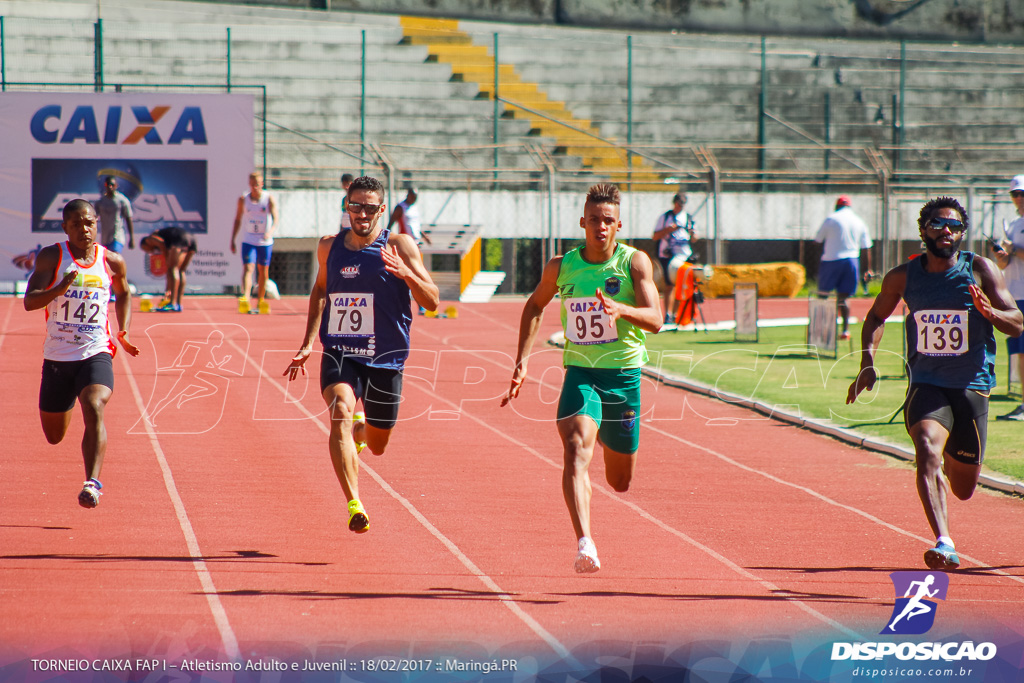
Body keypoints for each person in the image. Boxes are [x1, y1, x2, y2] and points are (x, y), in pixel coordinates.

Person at [847, 196, 1022, 571]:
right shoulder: (903, 275)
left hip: (971, 385)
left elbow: (1017, 321)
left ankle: (950, 461)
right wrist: (867, 361)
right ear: (923, 229)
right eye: (939, 224)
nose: (947, 232)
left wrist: (989, 312)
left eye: (955, 226)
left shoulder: (979, 269)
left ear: (963, 232)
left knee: (964, 487)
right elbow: (876, 317)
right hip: (926, 382)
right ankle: (944, 542)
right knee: (926, 447)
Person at [501, 183, 662, 573]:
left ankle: (607, 436)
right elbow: (534, 305)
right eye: (594, 220)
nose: (600, 227)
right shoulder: (562, 266)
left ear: (618, 224)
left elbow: (656, 319)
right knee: (574, 447)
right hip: (582, 374)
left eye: (608, 220)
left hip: (623, 378)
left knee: (620, 481)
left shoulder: (634, 263)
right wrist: (523, 359)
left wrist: (622, 310)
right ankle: (585, 542)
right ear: (582, 222)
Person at [284, 176, 439, 534]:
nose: (362, 213)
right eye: (356, 206)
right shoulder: (329, 247)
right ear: (346, 206)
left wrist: (407, 275)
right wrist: (308, 342)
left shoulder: (399, 245)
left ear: (382, 210)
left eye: (370, 207)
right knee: (339, 409)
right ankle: (354, 503)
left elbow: (432, 302)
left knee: (379, 444)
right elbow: (320, 291)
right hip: (341, 351)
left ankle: (363, 431)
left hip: (386, 357)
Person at [23, 199, 141, 508]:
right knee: (53, 436)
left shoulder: (112, 260)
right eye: (75, 224)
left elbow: (125, 292)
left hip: (95, 350)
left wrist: (123, 329)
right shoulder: (52, 256)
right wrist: (57, 290)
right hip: (58, 358)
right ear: (65, 228)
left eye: (88, 223)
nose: (83, 229)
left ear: (96, 224)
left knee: (94, 404)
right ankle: (69, 402)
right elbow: (30, 301)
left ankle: (92, 484)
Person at [990, 174, 1024, 420]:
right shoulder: (1013, 224)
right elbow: (1006, 263)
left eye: (1022, 193)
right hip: (1015, 295)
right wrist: (1002, 257)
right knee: (1019, 353)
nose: (1019, 198)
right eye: (1015, 194)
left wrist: (1014, 249)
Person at [815, 195, 873, 340]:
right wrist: (867, 269)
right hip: (852, 260)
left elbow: (817, 240)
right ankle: (845, 331)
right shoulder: (859, 221)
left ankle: (823, 330)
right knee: (844, 297)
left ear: (837, 206)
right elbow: (866, 247)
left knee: (823, 296)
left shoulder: (831, 219)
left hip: (831, 260)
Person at [230, 172, 278, 314]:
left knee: (263, 271)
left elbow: (276, 219)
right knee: (248, 268)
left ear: (262, 184)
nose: (255, 187)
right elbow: (237, 219)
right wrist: (233, 238)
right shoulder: (243, 199)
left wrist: (270, 232)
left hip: (264, 241)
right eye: (252, 184)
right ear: (249, 184)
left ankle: (261, 300)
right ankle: (246, 297)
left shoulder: (268, 198)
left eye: (257, 184)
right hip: (249, 239)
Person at [652, 192, 696, 324]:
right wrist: (668, 230)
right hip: (667, 255)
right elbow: (655, 236)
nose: (680, 206)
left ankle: (680, 314)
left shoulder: (688, 218)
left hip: (684, 255)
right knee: (669, 285)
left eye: (682, 204)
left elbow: (694, 239)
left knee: (684, 285)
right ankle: (668, 314)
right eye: (678, 203)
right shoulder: (665, 217)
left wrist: (692, 233)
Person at [140, 227, 198, 312]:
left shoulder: (151, 238)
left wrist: (167, 258)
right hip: (192, 240)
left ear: (146, 243)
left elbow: (161, 244)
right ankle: (178, 304)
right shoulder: (163, 235)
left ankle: (172, 303)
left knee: (172, 269)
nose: (150, 252)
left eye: (146, 249)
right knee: (181, 271)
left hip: (179, 240)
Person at [93, 176, 135, 254]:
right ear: (105, 185)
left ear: (116, 185)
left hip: (117, 236)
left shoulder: (122, 200)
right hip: (105, 238)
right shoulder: (100, 202)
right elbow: (93, 218)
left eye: (112, 184)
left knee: (115, 256)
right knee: (107, 261)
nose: (110, 186)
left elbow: (128, 218)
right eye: (108, 184)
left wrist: (131, 238)